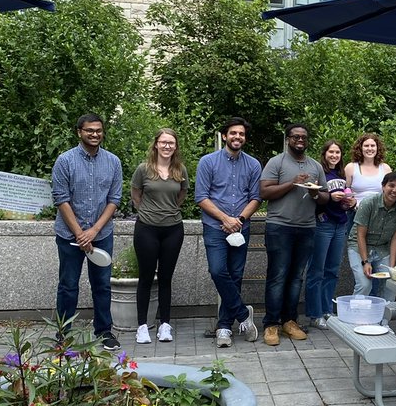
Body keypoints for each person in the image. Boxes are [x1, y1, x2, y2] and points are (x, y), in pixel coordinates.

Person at [51, 113, 123, 350]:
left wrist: (93, 231)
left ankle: (104, 332)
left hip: (101, 234)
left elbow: (114, 199)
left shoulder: (113, 161)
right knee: (68, 285)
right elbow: (61, 199)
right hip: (69, 236)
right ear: (79, 132)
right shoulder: (65, 161)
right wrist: (80, 234)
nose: (94, 134)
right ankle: (63, 335)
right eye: (89, 130)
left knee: (102, 285)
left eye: (98, 130)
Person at [259, 124, 327, 347]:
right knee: (278, 276)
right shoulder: (276, 162)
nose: (300, 140)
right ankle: (271, 324)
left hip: (306, 227)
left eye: (304, 137)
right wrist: (292, 183)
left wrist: (316, 194)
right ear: (288, 139)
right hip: (279, 226)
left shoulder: (316, 166)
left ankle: (290, 321)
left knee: (297, 277)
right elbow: (265, 192)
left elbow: (325, 198)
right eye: (296, 137)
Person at [196, 117, 262, 348]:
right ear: (224, 136)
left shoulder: (253, 164)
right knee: (217, 270)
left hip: (241, 227)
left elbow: (256, 198)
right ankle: (243, 314)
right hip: (215, 227)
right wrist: (225, 219)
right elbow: (201, 197)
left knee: (235, 275)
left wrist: (240, 220)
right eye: (233, 133)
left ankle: (224, 327)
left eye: (241, 134)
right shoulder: (208, 162)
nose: (237, 137)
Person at [130, 128, 187, 345]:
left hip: (173, 229)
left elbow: (181, 195)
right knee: (145, 277)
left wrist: (167, 210)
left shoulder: (179, 169)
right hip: (146, 228)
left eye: (171, 143)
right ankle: (142, 326)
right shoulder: (143, 170)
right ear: (156, 145)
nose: (167, 146)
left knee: (165, 278)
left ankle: (165, 325)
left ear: (175, 146)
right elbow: (136, 196)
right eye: (163, 142)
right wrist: (149, 212)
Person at [305, 139, 355, 330]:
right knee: (316, 270)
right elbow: (312, 197)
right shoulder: (319, 173)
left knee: (332, 271)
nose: (334, 155)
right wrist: (328, 199)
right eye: (331, 152)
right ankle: (314, 314)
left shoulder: (341, 174)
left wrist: (348, 203)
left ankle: (327, 310)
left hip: (340, 224)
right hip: (323, 225)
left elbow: (344, 200)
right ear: (324, 154)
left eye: (338, 153)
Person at [348, 172, 396, 297]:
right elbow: (360, 235)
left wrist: (392, 267)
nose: (394, 190)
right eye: (391, 186)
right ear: (383, 186)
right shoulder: (368, 203)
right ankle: (355, 315)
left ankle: (384, 316)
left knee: (391, 283)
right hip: (358, 246)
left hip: (382, 248)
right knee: (364, 284)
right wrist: (365, 262)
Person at [345, 132, 392, 200]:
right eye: (366, 146)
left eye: (372, 146)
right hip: (356, 209)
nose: (369, 149)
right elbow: (346, 191)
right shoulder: (351, 168)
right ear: (360, 148)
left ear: (377, 148)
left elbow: (390, 192)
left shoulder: (385, 168)